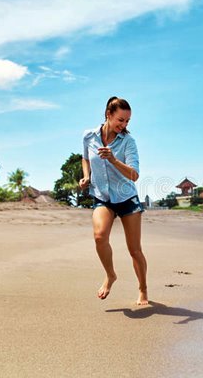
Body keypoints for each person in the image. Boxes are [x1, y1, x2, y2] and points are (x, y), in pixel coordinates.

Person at [79, 96, 148, 305]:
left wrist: (113, 159)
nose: (124, 125)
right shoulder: (88, 136)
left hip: (127, 198)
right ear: (108, 115)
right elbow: (85, 157)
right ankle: (110, 275)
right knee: (100, 237)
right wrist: (87, 176)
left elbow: (134, 175)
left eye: (127, 121)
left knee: (134, 250)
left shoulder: (128, 142)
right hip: (102, 196)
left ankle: (143, 289)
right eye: (120, 120)